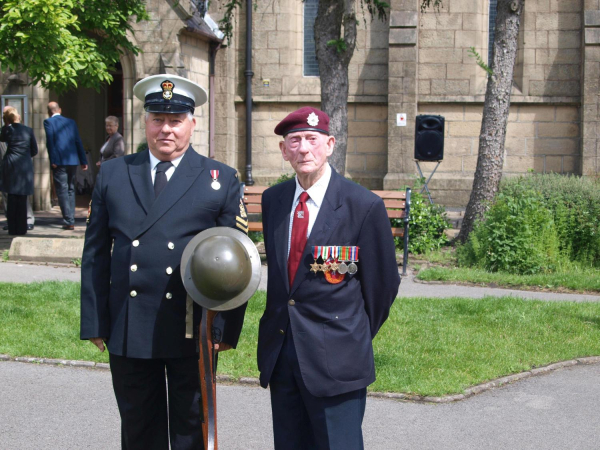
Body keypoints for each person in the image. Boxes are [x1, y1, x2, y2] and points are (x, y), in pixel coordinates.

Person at [80, 74, 248, 450]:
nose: (166, 129)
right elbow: (95, 255)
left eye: (175, 121)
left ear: (192, 123)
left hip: (193, 326)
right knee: (139, 427)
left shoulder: (218, 179)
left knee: (191, 425)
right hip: (129, 324)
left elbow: (237, 264)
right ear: (145, 122)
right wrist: (95, 320)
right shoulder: (114, 173)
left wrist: (223, 330)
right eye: (158, 119)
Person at [259, 106, 401, 449]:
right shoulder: (273, 200)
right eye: (294, 141)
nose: (303, 148)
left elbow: (382, 286)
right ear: (283, 150)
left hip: (338, 359)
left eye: (312, 139)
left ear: (330, 144)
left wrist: (348, 335)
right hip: (283, 354)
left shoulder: (362, 205)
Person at [43, 102, 88, 230]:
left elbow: (50, 142)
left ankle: (69, 220)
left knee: (62, 190)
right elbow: (78, 141)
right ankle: (70, 218)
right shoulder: (71, 122)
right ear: (60, 110)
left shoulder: (48, 122)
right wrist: (83, 160)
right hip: (72, 160)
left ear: (48, 112)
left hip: (59, 161)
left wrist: (53, 160)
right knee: (70, 189)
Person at [0, 107, 38, 235]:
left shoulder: (7, 130)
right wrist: (25, 157)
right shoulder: (28, 130)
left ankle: (12, 228)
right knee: (22, 198)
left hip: (10, 165)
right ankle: (22, 228)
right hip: (24, 166)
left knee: (11, 197)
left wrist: (6, 123)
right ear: (19, 117)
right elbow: (35, 150)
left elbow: (2, 138)